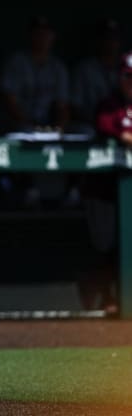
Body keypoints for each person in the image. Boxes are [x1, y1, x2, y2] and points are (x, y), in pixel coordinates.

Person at [78, 50, 132, 316]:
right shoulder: (109, 105)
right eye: (128, 78)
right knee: (105, 244)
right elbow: (110, 128)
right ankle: (107, 294)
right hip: (106, 189)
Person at [0, 15, 72, 207]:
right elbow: (10, 101)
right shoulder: (17, 62)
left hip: (47, 125)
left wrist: (58, 127)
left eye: (46, 34)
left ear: (52, 37)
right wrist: (31, 125)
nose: (42, 38)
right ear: (30, 36)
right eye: (37, 34)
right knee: (17, 137)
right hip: (21, 124)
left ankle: (72, 192)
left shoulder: (57, 67)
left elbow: (62, 105)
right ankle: (25, 188)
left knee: (80, 136)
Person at [69, 18, 122, 133]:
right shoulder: (85, 69)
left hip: (121, 124)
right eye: (106, 38)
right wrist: (100, 123)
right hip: (91, 125)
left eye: (113, 38)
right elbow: (75, 107)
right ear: (98, 40)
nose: (110, 42)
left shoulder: (125, 69)